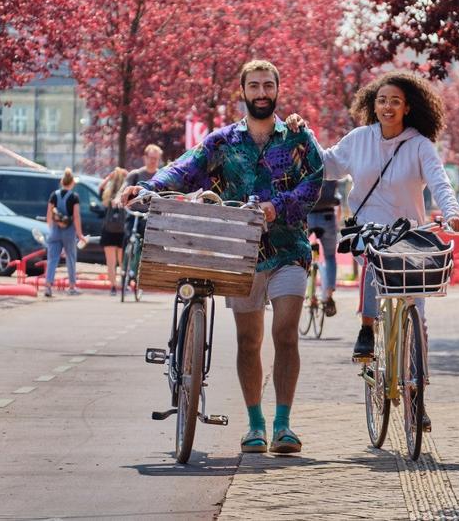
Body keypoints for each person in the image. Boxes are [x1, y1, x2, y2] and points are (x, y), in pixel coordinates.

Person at [122, 59, 323, 455]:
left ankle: (284, 424)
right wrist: (142, 187)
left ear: (277, 89)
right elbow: (182, 169)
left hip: (288, 249)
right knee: (248, 341)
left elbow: (314, 182)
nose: (262, 92)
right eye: (255, 86)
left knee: (285, 333)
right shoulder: (222, 141)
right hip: (240, 253)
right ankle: (256, 425)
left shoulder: (299, 138)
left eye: (268, 85)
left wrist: (276, 207)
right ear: (243, 92)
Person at [292, 71, 459, 366]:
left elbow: (439, 182)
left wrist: (452, 212)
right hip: (366, 232)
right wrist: (304, 135)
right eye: (382, 100)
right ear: (373, 105)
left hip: (410, 237)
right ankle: (367, 328)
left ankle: (416, 388)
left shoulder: (420, 145)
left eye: (395, 101)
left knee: (416, 314)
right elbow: (326, 165)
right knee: (374, 259)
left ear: (407, 107)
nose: (388, 107)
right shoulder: (359, 139)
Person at [43, 168, 85, 297]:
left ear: (62, 181)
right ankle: (72, 286)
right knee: (71, 258)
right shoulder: (74, 197)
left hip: (55, 230)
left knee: (52, 259)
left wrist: (50, 228)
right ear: (72, 182)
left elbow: (49, 213)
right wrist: (80, 234)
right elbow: (76, 217)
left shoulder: (54, 195)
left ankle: (48, 286)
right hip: (69, 232)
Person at [306, 179, 340, 316]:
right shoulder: (331, 161)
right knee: (330, 256)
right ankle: (329, 295)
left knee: (299, 250)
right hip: (327, 216)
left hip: (308, 215)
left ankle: (304, 287)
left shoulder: (306, 160)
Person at [99, 167, 128, 296]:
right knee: (122, 261)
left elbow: (100, 188)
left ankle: (112, 287)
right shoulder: (125, 194)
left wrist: (108, 178)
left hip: (108, 230)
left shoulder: (108, 194)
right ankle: (123, 285)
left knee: (110, 262)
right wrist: (128, 176)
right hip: (122, 230)